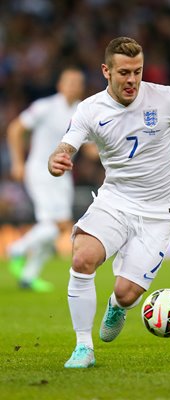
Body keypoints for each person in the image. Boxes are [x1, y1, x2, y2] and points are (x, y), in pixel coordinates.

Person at [48, 37, 170, 368]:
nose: (132, 80)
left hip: (159, 212)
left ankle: (117, 306)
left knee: (126, 293)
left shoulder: (166, 98)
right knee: (83, 258)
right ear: (106, 71)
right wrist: (58, 159)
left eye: (137, 71)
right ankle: (83, 347)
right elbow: (66, 146)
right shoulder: (91, 109)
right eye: (124, 72)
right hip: (115, 201)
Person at [7, 68, 86, 292]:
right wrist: (18, 162)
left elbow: (90, 146)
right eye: (69, 81)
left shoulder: (83, 110)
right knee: (56, 225)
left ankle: (28, 277)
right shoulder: (45, 107)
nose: (73, 85)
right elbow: (15, 129)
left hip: (63, 177)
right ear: (60, 85)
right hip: (40, 171)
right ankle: (16, 249)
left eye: (78, 82)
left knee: (55, 228)